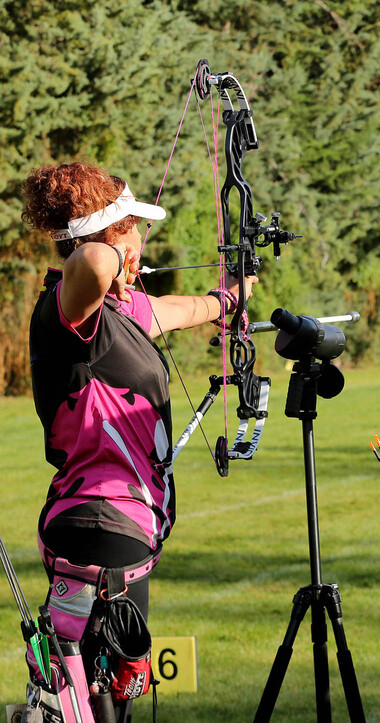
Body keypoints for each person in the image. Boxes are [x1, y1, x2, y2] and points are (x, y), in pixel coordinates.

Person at [20, 162, 256, 720]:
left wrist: (232, 297)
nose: (144, 241)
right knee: (95, 709)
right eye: (136, 228)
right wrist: (111, 243)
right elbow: (94, 262)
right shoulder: (71, 314)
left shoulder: (119, 314)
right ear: (108, 232)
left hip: (120, 532)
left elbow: (179, 310)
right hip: (99, 530)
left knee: (112, 705)